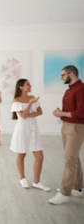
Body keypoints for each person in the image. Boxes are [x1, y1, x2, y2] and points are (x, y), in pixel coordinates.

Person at [49, 65, 84, 205]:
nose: (61, 77)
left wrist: (61, 113)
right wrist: (61, 113)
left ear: (72, 74)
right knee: (74, 158)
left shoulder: (81, 89)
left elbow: (81, 113)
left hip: (76, 127)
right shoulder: (70, 89)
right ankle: (78, 187)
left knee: (69, 159)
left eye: (63, 75)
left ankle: (64, 193)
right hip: (66, 126)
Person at [10, 79, 50, 191]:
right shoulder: (16, 100)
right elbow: (22, 116)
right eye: (28, 84)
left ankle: (36, 182)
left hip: (33, 129)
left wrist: (29, 114)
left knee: (40, 157)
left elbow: (40, 112)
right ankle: (22, 178)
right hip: (22, 130)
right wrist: (30, 105)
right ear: (21, 87)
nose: (30, 86)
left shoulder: (32, 97)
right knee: (22, 155)